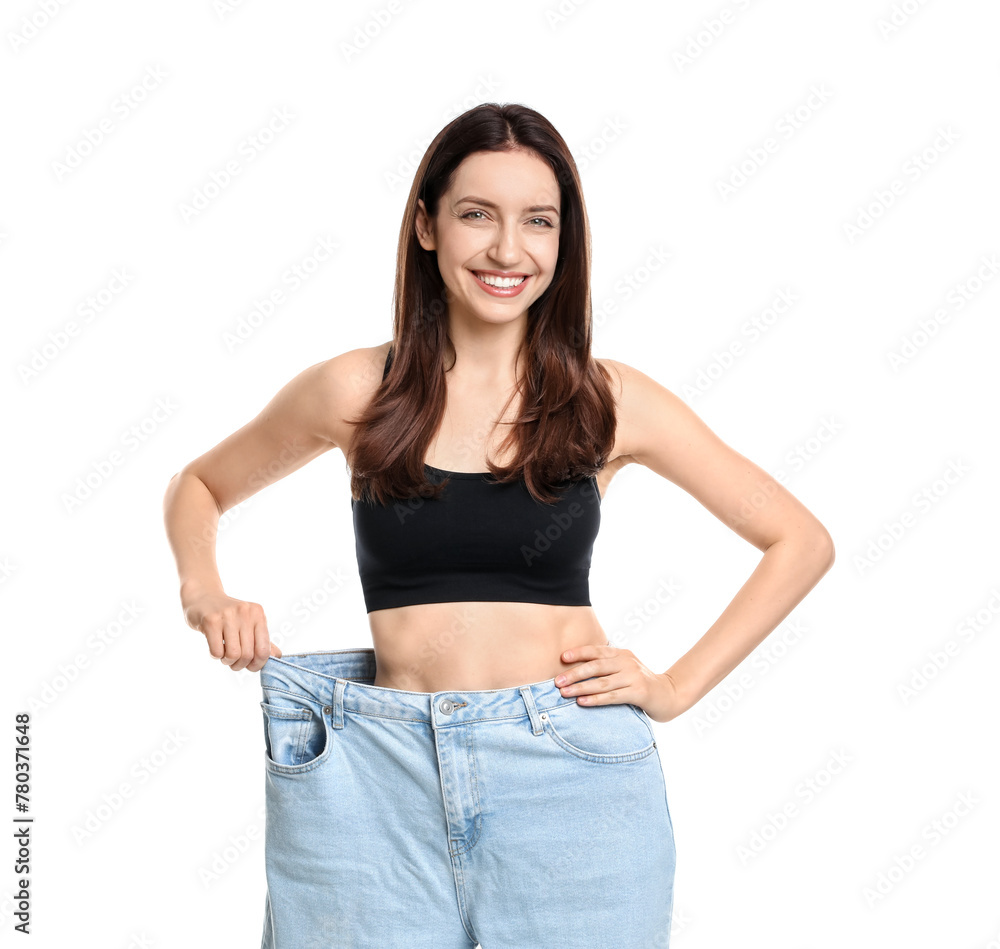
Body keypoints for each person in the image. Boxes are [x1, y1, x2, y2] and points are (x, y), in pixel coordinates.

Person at [163, 102, 834, 949]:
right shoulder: (353, 393)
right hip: (372, 775)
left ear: (564, 241)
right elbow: (200, 484)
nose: (508, 250)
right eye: (477, 214)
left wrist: (674, 687)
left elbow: (798, 540)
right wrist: (206, 592)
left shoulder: (608, 399)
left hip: (569, 774)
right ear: (427, 227)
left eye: (538, 222)